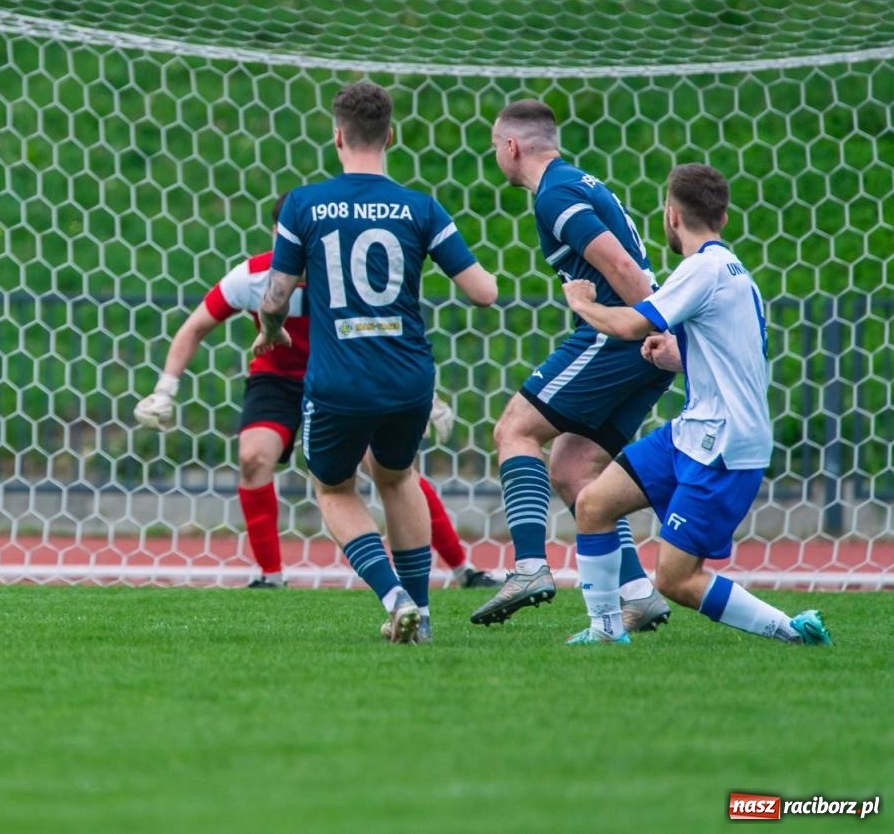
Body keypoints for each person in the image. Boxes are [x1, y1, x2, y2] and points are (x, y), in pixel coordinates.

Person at [133, 197, 501, 590]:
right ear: (277, 235)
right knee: (253, 457)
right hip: (278, 381)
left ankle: (464, 569)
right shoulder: (252, 277)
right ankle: (270, 578)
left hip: (341, 378)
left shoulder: (347, 276)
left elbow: (385, 335)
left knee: (389, 470)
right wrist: (164, 390)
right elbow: (194, 327)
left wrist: (428, 399)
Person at [259, 81, 498, 643]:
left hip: (340, 380)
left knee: (335, 488)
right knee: (397, 476)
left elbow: (275, 297)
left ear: (337, 135)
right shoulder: (420, 206)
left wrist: (271, 332)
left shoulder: (304, 203)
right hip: (409, 377)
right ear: (391, 135)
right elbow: (483, 292)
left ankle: (394, 599)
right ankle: (420, 615)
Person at [559, 164, 829, 645]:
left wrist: (581, 302)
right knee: (594, 504)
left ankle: (792, 631)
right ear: (723, 217)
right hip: (692, 432)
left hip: (724, 445)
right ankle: (604, 631)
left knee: (676, 579)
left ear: (671, 215)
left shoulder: (702, 269)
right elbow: (734, 362)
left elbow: (628, 325)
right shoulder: (733, 272)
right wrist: (678, 358)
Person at [470, 99, 674, 631]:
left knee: (514, 429)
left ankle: (531, 567)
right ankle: (637, 592)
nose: (496, 156)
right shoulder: (578, 182)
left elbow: (620, 264)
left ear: (511, 147)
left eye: (495, 147)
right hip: (640, 344)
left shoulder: (556, 194)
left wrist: (656, 324)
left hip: (619, 336)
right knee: (572, 470)